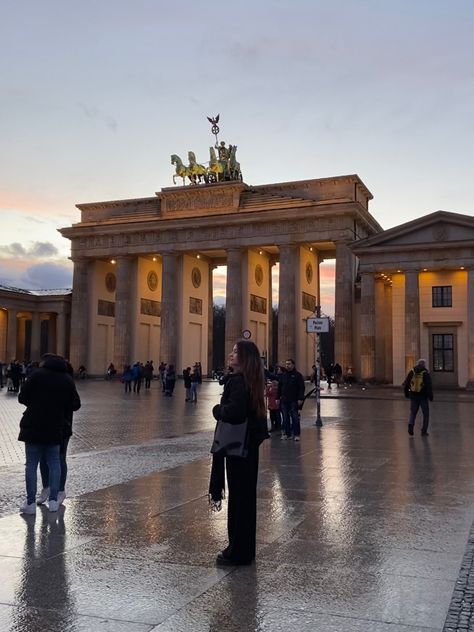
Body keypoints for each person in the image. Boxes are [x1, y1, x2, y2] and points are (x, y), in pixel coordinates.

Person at [209, 340, 269, 566]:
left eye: (235, 352)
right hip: (248, 447)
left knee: (238, 499)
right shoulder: (253, 380)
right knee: (246, 500)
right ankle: (245, 549)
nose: (230, 354)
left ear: (245, 358)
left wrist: (217, 411)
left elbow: (235, 413)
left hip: (237, 448)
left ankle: (236, 552)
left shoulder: (236, 382)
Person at [17, 354, 81, 514]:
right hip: (55, 426)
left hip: (33, 425)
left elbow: (22, 397)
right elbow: (75, 404)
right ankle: (54, 500)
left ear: (44, 362)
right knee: (55, 462)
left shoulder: (36, 375)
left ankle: (30, 503)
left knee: (31, 464)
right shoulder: (66, 379)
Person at [403, 359, 433, 436]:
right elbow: (429, 386)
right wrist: (430, 396)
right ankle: (424, 431)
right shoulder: (425, 373)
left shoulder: (412, 372)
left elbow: (406, 384)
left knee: (413, 412)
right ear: (424, 365)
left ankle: (410, 425)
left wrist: (407, 394)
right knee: (425, 414)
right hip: (423, 397)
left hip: (413, 396)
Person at [279, 359, 305, 441]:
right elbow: (280, 387)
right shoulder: (283, 375)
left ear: (293, 365)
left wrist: (300, 398)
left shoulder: (298, 375)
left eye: (289, 364)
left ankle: (296, 434)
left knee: (295, 417)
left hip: (294, 400)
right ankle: (287, 434)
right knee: (285, 417)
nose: (287, 365)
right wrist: (277, 397)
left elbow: (301, 388)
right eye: (286, 364)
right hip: (284, 400)